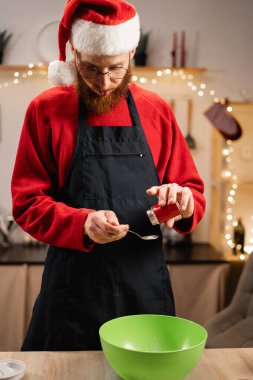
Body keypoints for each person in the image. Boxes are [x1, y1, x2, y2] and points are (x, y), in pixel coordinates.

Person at [11, 0, 206, 351]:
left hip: (144, 291)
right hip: (73, 293)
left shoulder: (156, 110)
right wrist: (83, 223)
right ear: (74, 54)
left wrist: (185, 203)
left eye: (115, 69)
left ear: (131, 52)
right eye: (90, 68)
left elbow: (192, 192)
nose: (104, 82)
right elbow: (27, 204)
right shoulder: (46, 111)